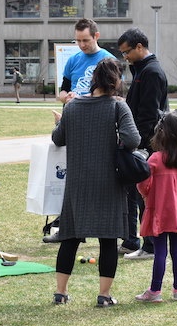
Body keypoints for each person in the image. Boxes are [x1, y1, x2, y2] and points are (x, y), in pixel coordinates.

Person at [50, 58, 140, 307]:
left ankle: (60, 292)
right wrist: (116, 142)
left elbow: (58, 139)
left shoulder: (73, 107)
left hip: (77, 182)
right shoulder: (118, 107)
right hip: (108, 181)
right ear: (116, 80)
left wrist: (60, 121)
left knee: (69, 237)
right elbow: (133, 139)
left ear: (94, 80)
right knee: (108, 239)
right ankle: (104, 295)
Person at [43, 18, 117, 243]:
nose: (82, 45)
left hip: (97, 125)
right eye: (78, 41)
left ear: (96, 36)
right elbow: (62, 92)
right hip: (73, 122)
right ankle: (69, 229)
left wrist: (84, 98)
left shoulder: (108, 60)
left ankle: (103, 230)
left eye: (85, 40)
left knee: (96, 177)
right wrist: (68, 97)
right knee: (70, 177)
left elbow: (113, 94)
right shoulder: (73, 60)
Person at [117, 28, 169, 260]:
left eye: (126, 52)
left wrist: (138, 145)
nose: (124, 57)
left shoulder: (151, 73)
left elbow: (149, 113)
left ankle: (150, 245)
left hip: (146, 145)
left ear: (140, 47)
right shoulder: (142, 70)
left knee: (144, 196)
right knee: (133, 192)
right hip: (139, 142)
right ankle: (132, 241)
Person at [134, 112, 177, 303]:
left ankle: (155, 291)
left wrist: (145, 195)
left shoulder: (155, 159)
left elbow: (143, 184)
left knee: (160, 251)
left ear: (161, 133)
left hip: (159, 211)